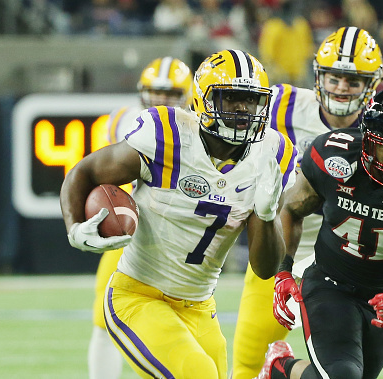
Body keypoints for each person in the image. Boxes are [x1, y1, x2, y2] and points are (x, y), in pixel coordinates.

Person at [60, 49, 298, 379]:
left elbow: (264, 267)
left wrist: (268, 213)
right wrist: (74, 227)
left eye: (250, 100)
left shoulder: (272, 153)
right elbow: (84, 173)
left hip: (200, 306)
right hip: (138, 296)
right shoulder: (167, 136)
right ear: (202, 100)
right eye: (231, 99)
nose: (243, 109)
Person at [258, 87, 383, 379]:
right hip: (328, 286)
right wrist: (284, 271)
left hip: (382, 296)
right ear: (368, 140)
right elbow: (291, 209)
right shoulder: (333, 156)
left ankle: (279, 369)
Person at [232, 26, 383, 379]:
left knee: (342, 372)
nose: (342, 87)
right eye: (334, 76)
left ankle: (279, 370)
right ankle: (271, 368)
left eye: (353, 80)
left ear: (370, 85)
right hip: (276, 249)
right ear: (319, 76)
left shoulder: (381, 130)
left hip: (341, 263)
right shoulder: (279, 104)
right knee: (245, 364)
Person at [88, 56, 193, 379]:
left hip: (180, 240)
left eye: (172, 94)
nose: (161, 100)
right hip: (131, 233)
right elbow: (103, 178)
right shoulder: (122, 120)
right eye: (155, 92)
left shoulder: (199, 131)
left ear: (189, 96)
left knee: (178, 329)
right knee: (104, 320)